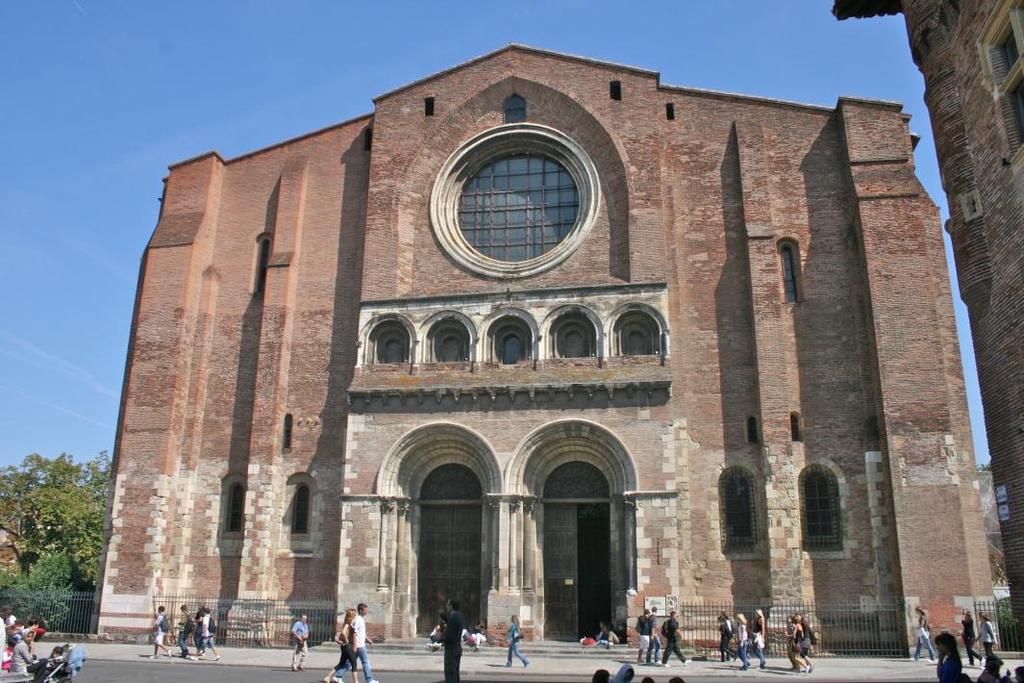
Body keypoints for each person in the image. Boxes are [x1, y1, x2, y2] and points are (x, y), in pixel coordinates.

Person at [328, 609, 359, 683]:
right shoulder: (348, 623)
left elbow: (339, 633)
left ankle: (328, 677)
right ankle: (355, 681)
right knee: (354, 663)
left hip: (345, 646)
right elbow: (343, 632)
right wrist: (347, 642)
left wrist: (338, 640)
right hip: (347, 646)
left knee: (342, 663)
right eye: (355, 614)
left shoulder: (347, 623)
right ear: (352, 615)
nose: (356, 616)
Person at [353, 603, 379, 683]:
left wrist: (368, 639)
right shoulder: (358, 620)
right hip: (359, 645)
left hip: (359, 645)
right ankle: (369, 679)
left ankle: (338, 675)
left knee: (349, 663)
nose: (367, 611)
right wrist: (355, 645)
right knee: (365, 662)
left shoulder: (360, 619)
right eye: (365, 610)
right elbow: (354, 633)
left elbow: (361, 633)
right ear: (360, 610)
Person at [442, 599, 467, 683]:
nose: (446, 606)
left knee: (450, 674)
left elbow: (449, 636)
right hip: (457, 648)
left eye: (448, 605)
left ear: (451, 606)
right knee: (455, 673)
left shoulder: (453, 618)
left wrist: (438, 640)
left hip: (451, 650)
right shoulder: (460, 616)